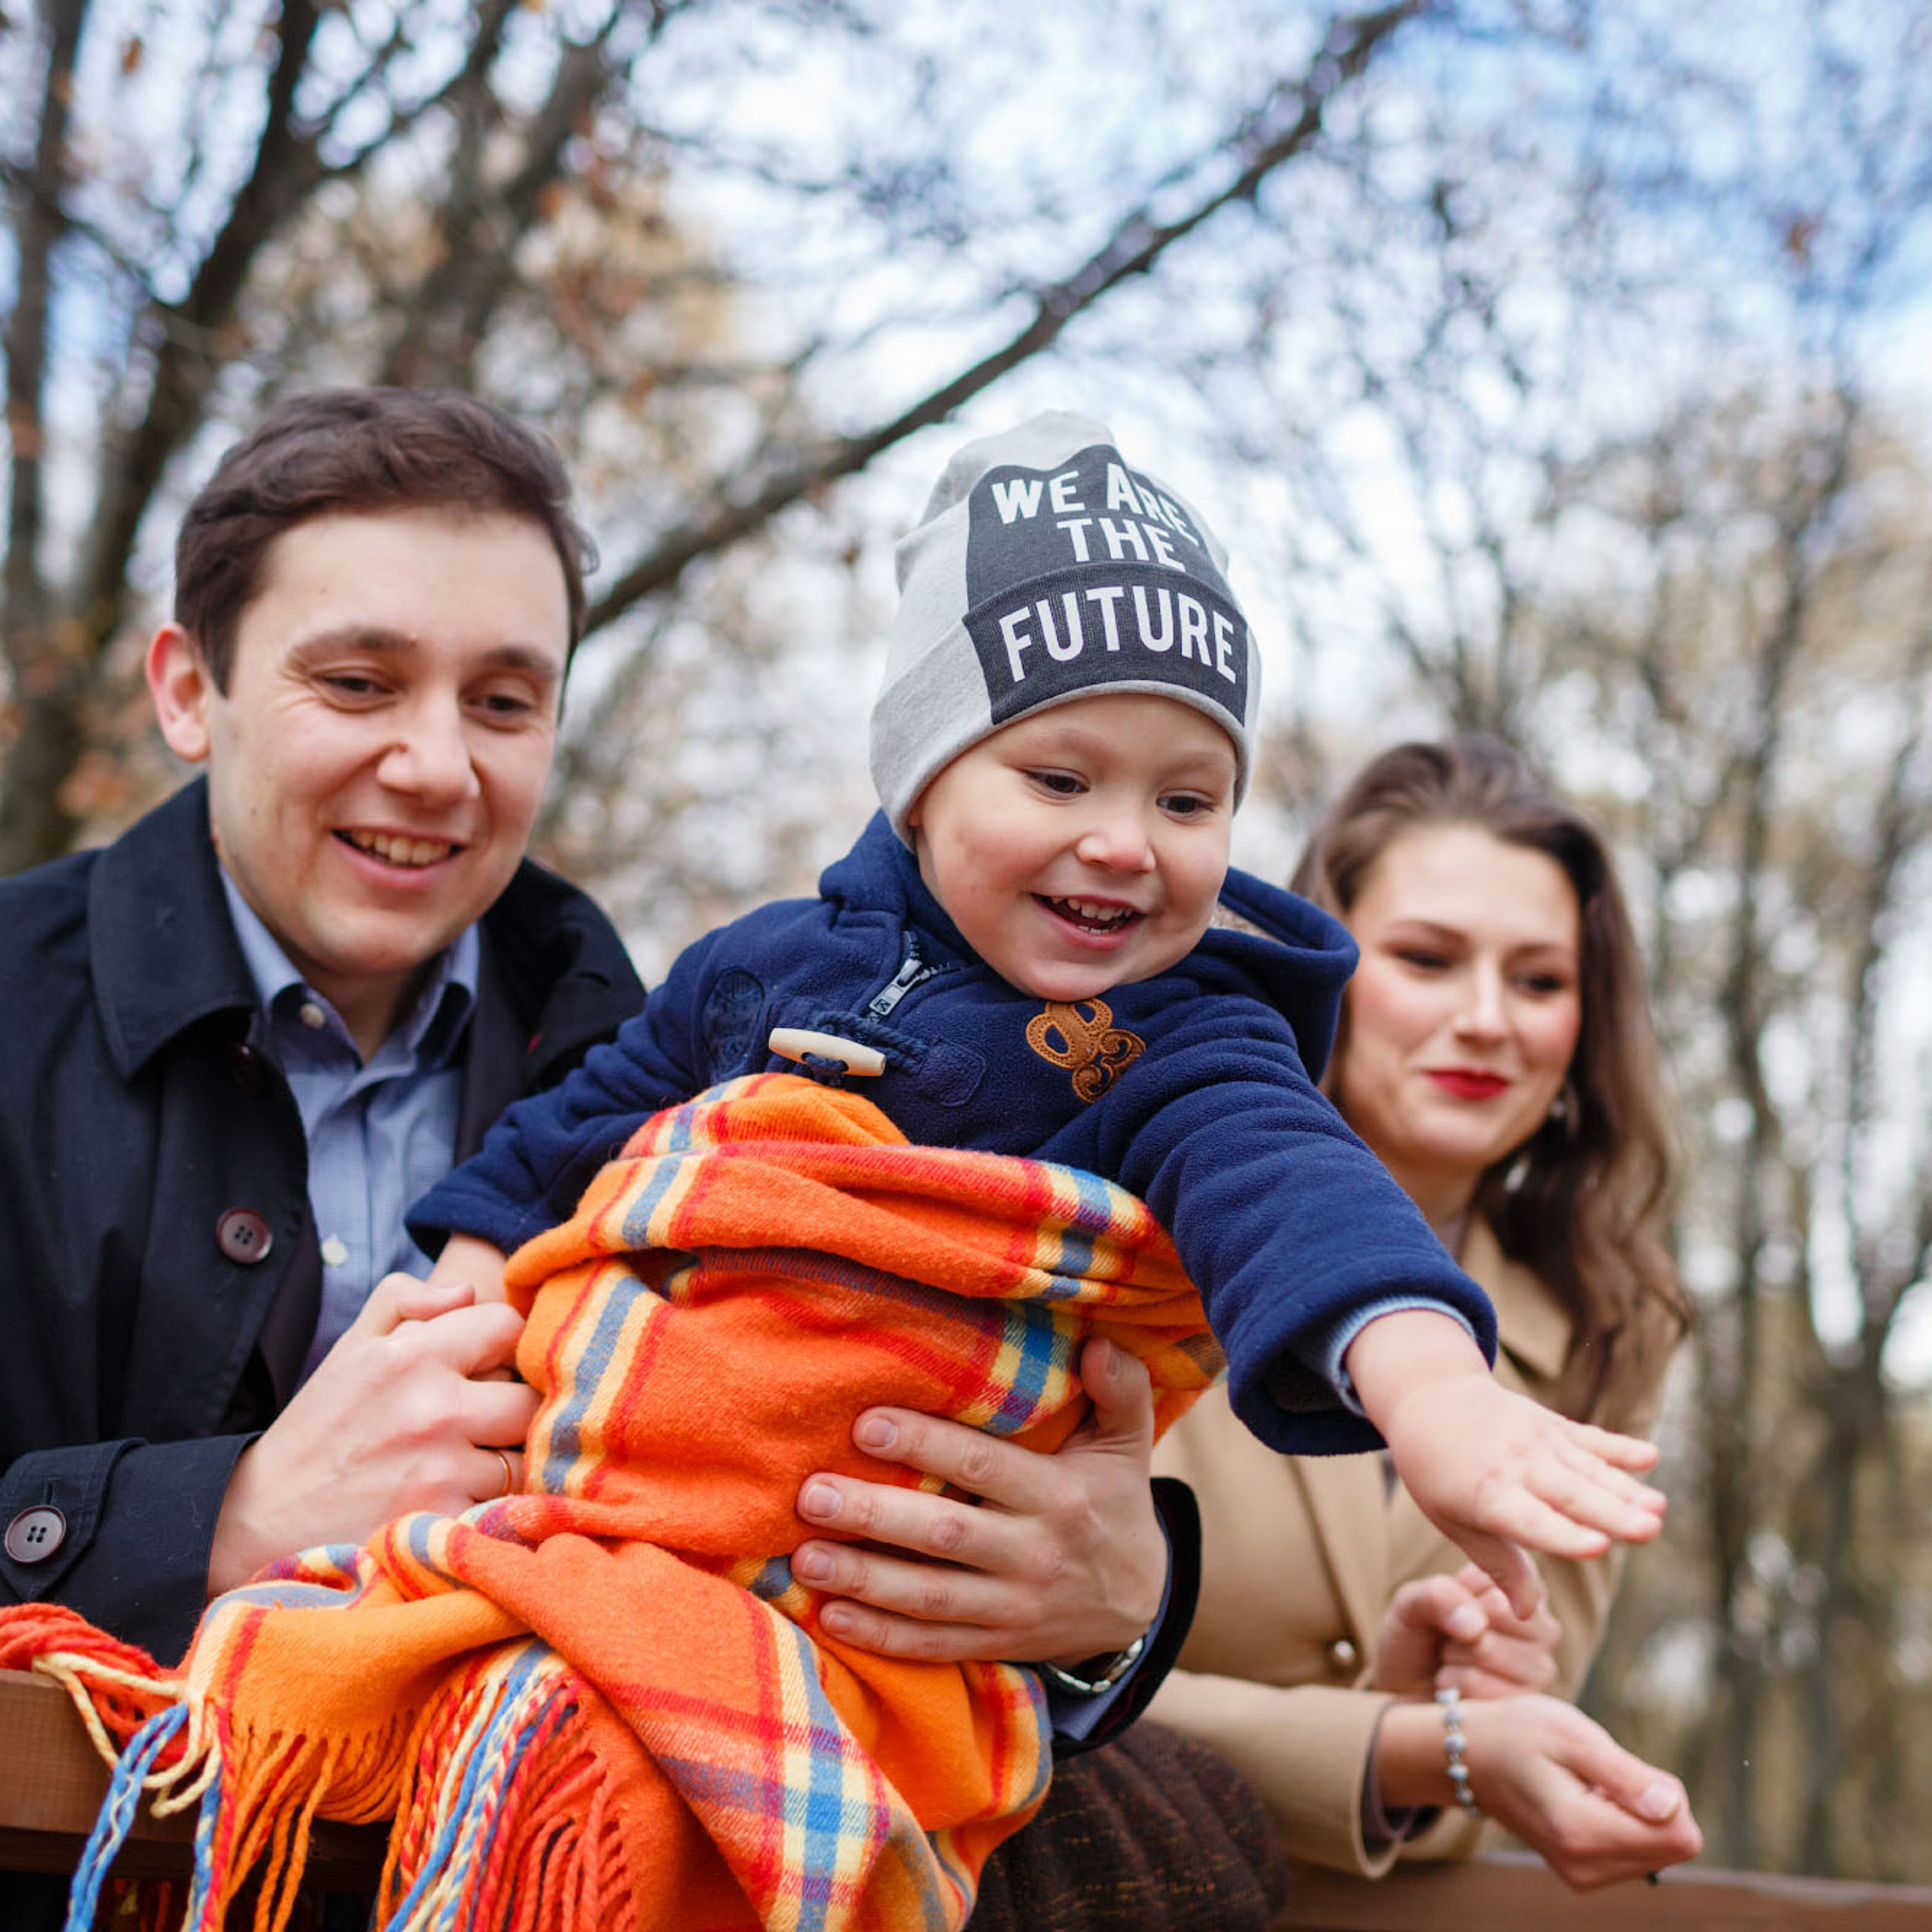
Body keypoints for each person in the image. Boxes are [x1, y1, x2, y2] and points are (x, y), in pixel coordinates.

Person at [0, 389, 1186, 1921]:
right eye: (357, 681)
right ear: (186, 687)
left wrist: (1114, 1609)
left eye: (504, 701)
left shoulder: (698, 1058)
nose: (435, 765)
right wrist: (218, 1517)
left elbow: (869, 1478)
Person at [417, 414, 1668, 1624]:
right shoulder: (753, 969)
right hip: (633, 1501)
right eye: (1060, 779)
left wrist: (1438, 1396)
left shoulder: (1180, 1044)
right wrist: (452, 1314)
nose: (1123, 842)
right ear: (920, 788)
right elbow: (562, 1142)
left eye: (1189, 802)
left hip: (894, 1582)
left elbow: (1300, 1195)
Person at [1135, 735, 1703, 1893]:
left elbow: (1492, 1769)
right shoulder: (1131, 1227)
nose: (1488, 1018)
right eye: (1429, 959)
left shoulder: (1611, 1316)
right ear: (1322, 970)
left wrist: (1461, 1728)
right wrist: (1409, 1748)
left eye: (1540, 980)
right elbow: (1016, 1691)